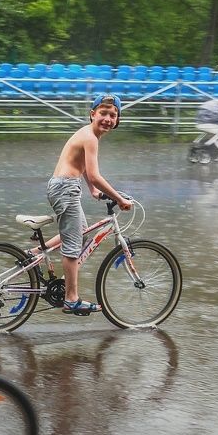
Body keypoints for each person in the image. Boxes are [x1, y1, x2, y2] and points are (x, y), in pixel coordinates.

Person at [46, 93, 132, 315]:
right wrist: (119, 199)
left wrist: (93, 191)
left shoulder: (88, 135)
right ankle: (71, 299)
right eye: (103, 113)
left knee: (80, 232)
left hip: (64, 186)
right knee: (73, 247)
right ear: (92, 114)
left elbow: (82, 166)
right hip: (66, 188)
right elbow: (94, 175)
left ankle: (37, 252)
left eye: (113, 115)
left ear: (117, 120)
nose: (107, 118)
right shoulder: (90, 137)